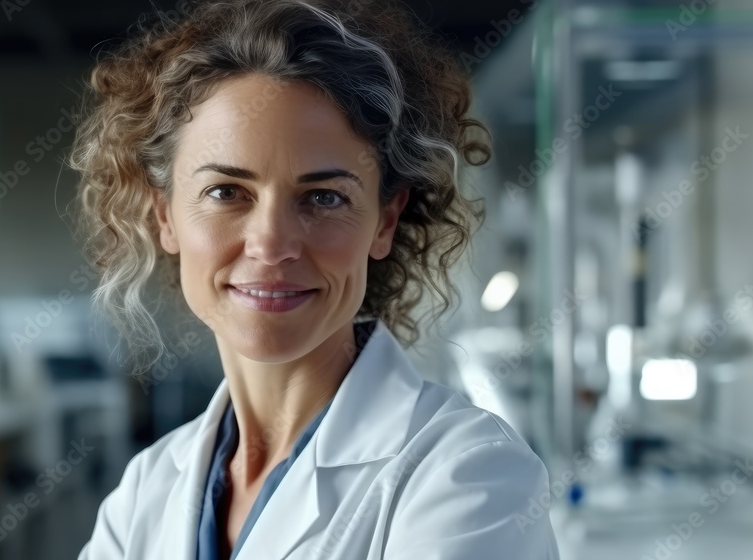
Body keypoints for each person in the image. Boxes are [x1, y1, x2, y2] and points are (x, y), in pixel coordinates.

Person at [69, 0, 560, 558]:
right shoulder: (145, 492)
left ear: (385, 222)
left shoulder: (470, 477)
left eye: (324, 197)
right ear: (165, 217)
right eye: (226, 193)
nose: (272, 244)